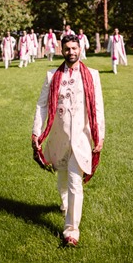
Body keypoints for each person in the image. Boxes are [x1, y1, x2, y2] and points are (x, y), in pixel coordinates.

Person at [32, 35, 105, 247]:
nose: (71, 52)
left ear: (80, 49)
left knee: (75, 181)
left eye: (74, 48)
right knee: (62, 177)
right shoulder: (52, 75)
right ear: (61, 50)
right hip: (58, 136)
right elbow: (41, 106)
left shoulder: (92, 75)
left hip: (82, 138)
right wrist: (36, 132)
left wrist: (99, 136)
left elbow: (98, 107)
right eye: (67, 49)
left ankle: (71, 231)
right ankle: (65, 204)